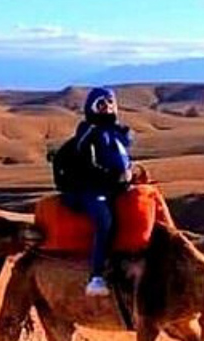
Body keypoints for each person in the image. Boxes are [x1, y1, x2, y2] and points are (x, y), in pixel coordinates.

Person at [61, 87, 133, 297]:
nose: (107, 108)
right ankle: (96, 276)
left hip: (116, 188)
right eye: (101, 104)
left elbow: (122, 157)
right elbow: (86, 164)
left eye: (110, 103)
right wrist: (112, 177)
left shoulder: (116, 132)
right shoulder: (88, 131)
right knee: (104, 221)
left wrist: (128, 174)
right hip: (91, 189)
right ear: (92, 107)